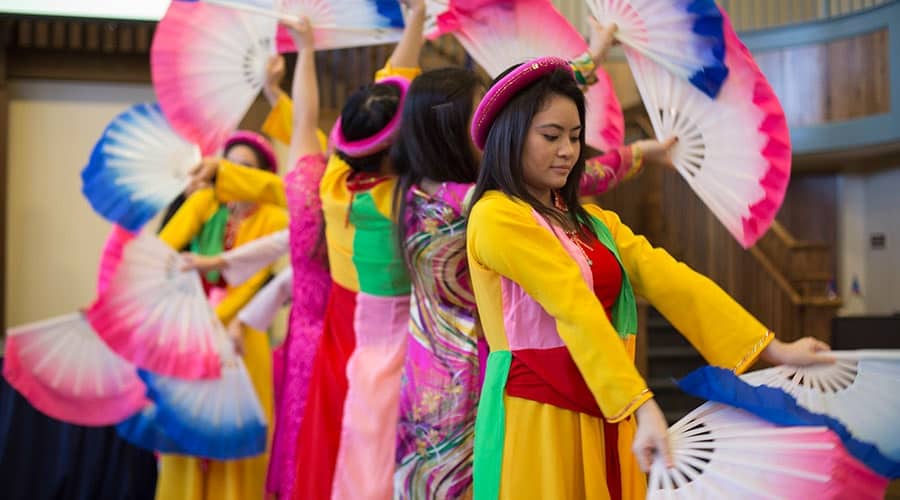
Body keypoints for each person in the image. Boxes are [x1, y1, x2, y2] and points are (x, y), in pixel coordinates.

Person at [464, 56, 833, 500]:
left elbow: (669, 279)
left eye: (576, 137)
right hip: (538, 413)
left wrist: (774, 348)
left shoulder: (591, 222)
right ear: (510, 135)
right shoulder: (496, 216)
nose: (567, 150)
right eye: (551, 136)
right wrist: (640, 404)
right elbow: (571, 302)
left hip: (606, 402)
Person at [390, 21, 676, 499]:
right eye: (480, 115)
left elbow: (395, 82)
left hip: (423, 360)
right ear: (450, 132)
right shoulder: (482, 204)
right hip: (480, 361)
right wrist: (639, 154)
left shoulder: (406, 195)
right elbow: (582, 174)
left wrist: (595, 54)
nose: (495, 121)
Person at [155, 130, 288, 500]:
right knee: (186, 437)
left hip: (240, 333)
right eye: (228, 165)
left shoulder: (276, 217)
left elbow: (253, 282)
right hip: (192, 332)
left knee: (238, 436)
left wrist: (218, 321)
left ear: (262, 175)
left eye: (246, 168)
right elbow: (162, 251)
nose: (233, 174)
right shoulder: (205, 205)